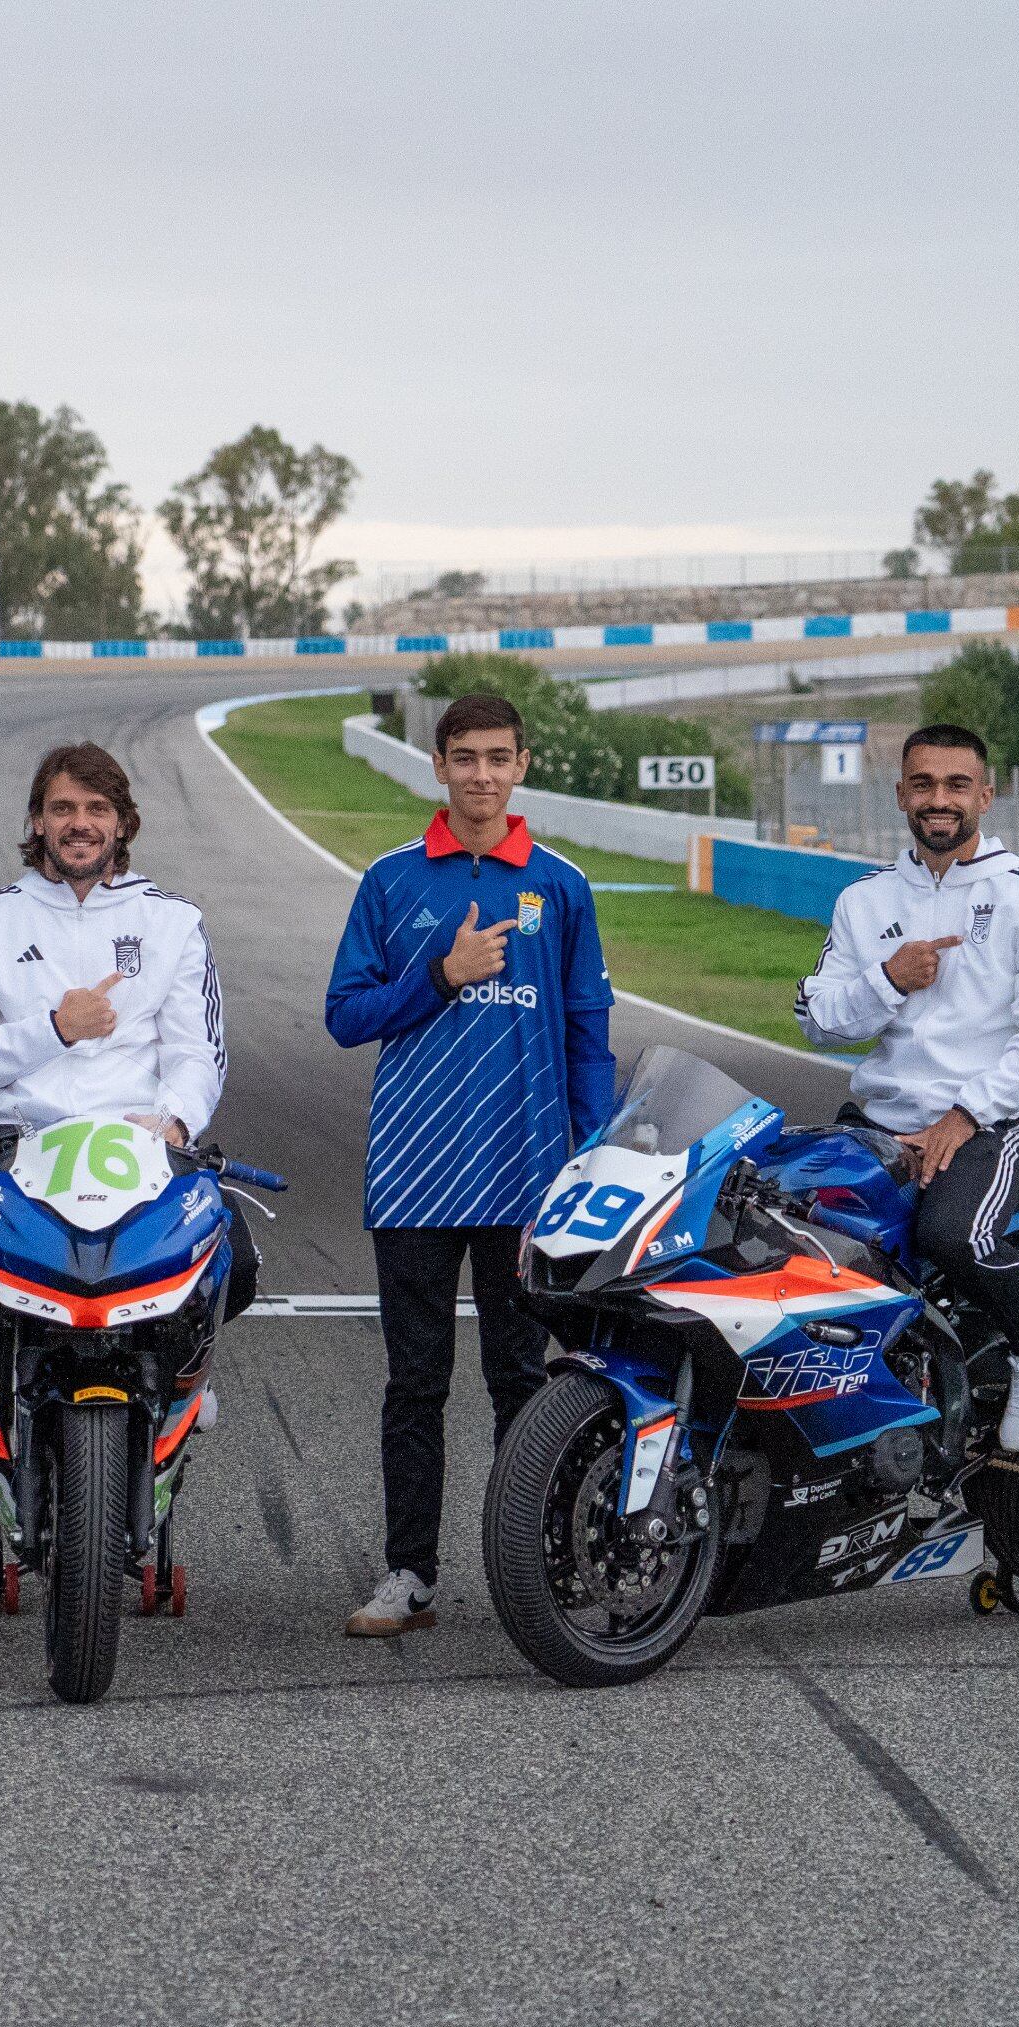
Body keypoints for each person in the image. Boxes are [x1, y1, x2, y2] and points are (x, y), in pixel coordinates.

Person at [324, 692, 615, 1639]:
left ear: (522, 764)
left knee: (522, 1382)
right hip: (412, 1175)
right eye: (464, 758)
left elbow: (586, 1033)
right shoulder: (392, 881)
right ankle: (409, 1573)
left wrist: (591, 1157)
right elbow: (344, 1016)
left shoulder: (562, 886)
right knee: (416, 1384)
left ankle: (531, 1564)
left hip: (526, 1180)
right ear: (438, 767)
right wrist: (441, 976)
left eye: (498, 757)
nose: (481, 774)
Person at [0, 740, 246, 1432]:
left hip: (140, 1148)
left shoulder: (173, 920)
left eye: (98, 809)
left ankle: (187, 1376)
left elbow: (197, 1052)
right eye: (62, 808)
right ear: (37, 821)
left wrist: (178, 1122)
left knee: (236, 1256)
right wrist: (54, 1029)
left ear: (123, 823)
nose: (79, 823)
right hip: (18, 1149)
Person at [794, 721, 1019, 1451]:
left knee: (951, 1234)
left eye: (957, 784)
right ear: (900, 795)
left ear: (985, 796)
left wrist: (965, 1114)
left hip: (995, 1124)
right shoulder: (864, 900)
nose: (940, 799)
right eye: (923, 783)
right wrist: (888, 979)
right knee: (785, 1231)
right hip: (879, 1122)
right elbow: (818, 1019)